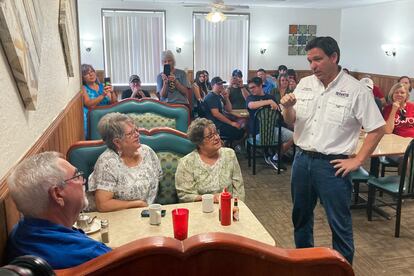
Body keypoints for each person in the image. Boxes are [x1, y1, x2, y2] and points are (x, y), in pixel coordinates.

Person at [280, 36, 385, 264]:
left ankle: (342, 269)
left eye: (317, 59)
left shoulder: (356, 90)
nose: (312, 66)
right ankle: (304, 263)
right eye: (310, 60)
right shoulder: (305, 84)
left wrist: (357, 160)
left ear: (334, 57)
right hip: (301, 160)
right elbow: (292, 120)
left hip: (332, 166)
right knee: (301, 217)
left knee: (339, 223)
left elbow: (377, 128)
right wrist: (287, 108)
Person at [6, 152, 111, 269]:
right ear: (57, 194)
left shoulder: (17, 235)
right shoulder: (93, 255)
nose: (82, 181)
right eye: (76, 176)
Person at [88, 113, 162, 212]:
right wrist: (136, 204)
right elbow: (103, 204)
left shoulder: (147, 152)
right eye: (130, 134)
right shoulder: (107, 162)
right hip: (120, 217)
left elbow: (158, 179)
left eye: (136, 130)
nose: (137, 134)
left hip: (149, 213)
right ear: (117, 142)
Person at [175, 118, 245, 203]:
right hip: (201, 209)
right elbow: (185, 196)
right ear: (199, 142)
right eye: (210, 136)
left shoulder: (229, 154)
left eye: (216, 133)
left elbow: (239, 189)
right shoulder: (186, 163)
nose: (216, 138)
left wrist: (236, 207)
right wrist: (210, 198)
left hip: (228, 207)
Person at [246, 77, 293, 171]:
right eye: (250, 88)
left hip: (274, 129)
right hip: (259, 133)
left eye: (253, 87)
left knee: (294, 136)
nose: (251, 90)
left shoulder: (271, 97)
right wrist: (269, 102)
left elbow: (279, 111)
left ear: (260, 86)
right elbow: (251, 105)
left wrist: (277, 106)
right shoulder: (251, 98)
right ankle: (270, 153)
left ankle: (275, 157)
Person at [81, 64, 117, 138]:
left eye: (92, 71)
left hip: (107, 114)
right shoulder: (84, 88)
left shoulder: (102, 86)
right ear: (83, 78)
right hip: (94, 117)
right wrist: (103, 95)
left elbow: (114, 103)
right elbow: (88, 103)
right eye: (87, 73)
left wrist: (112, 92)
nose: (91, 74)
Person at [204, 77, 245, 142]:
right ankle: (233, 146)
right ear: (212, 85)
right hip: (215, 125)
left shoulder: (219, 96)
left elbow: (229, 109)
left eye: (222, 84)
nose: (221, 86)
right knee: (239, 131)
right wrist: (231, 123)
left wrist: (226, 98)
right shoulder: (211, 97)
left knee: (242, 127)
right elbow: (216, 114)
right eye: (218, 84)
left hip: (220, 122)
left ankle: (232, 145)